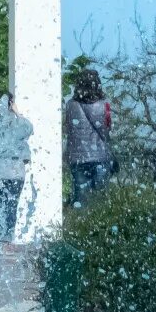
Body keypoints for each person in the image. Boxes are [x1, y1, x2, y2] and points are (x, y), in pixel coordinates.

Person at [0, 95, 32, 238]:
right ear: (11, 104)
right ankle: (7, 239)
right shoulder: (17, 123)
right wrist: (17, 112)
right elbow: (29, 128)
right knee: (11, 207)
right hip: (15, 172)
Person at [64, 66, 114, 207]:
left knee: (80, 199)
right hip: (100, 157)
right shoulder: (104, 105)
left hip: (77, 158)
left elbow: (68, 128)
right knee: (101, 200)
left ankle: (80, 226)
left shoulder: (70, 105)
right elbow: (107, 129)